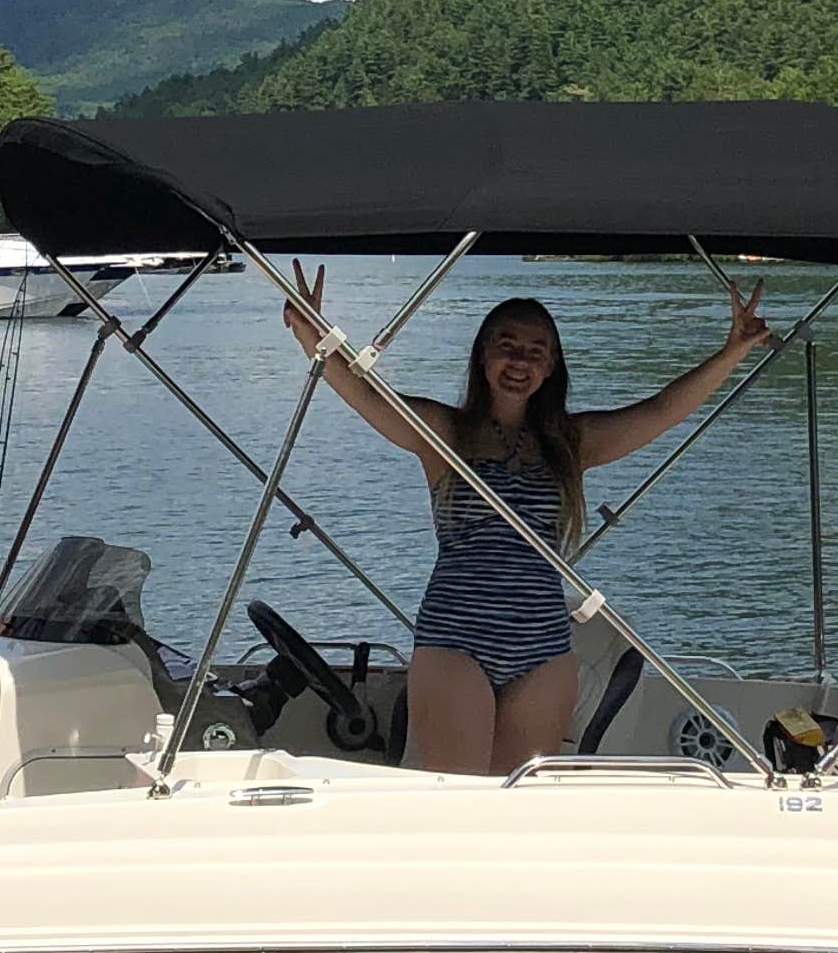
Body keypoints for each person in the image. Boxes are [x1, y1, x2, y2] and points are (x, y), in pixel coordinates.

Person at [283, 274, 771, 776]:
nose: (520, 360)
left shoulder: (571, 444)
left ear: (551, 366)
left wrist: (733, 350)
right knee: (462, 796)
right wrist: (309, 333)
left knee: (517, 801)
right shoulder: (444, 434)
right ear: (483, 354)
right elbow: (365, 395)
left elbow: (662, 411)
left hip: (543, 651)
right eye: (507, 345)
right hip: (454, 641)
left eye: (536, 351)